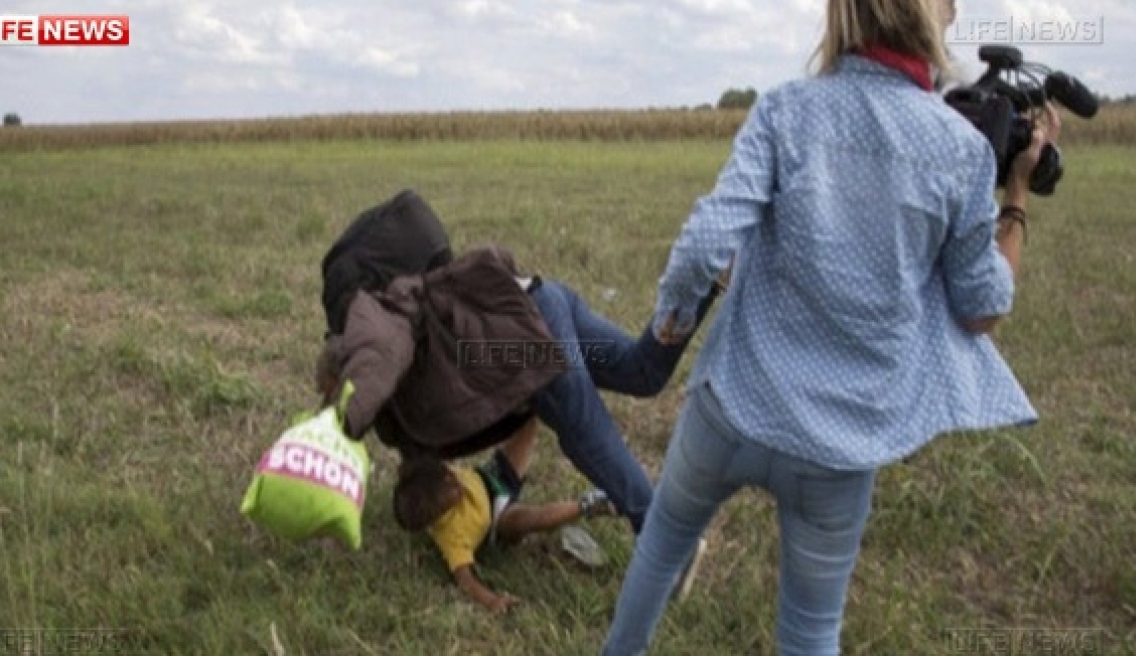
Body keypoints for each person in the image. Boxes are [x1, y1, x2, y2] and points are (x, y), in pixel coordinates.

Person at [600, 0, 1061, 652]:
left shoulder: (786, 110)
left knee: (662, 544)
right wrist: (1016, 196)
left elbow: (705, 243)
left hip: (731, 406)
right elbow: (981, 309)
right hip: (840, 446)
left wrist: (672, 319)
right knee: (811, 628)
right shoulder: (961, 150)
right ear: (930, 18)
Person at [315, 245, 723, 537]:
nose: (333, 401)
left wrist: (340, 426)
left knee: (585, 434)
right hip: (543, 303)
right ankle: (702, 278)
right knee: (640, 371)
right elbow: (422, 466)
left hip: (525, 343)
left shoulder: (380, 336)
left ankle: (667, 539)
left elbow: (378, 360)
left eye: (334, 392)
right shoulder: (401, 416)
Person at [391, 415, 619, 613]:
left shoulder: (434, 476)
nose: (455, 480)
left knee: (525, 424)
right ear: (438, 513)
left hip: (492, 478)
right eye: (451, 490)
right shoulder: (452, 537)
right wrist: (492, 601)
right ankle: (590, 505)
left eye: (450, 476)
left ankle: (535, 401)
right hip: (499, 518)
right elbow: (466, 581)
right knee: (529, 519)